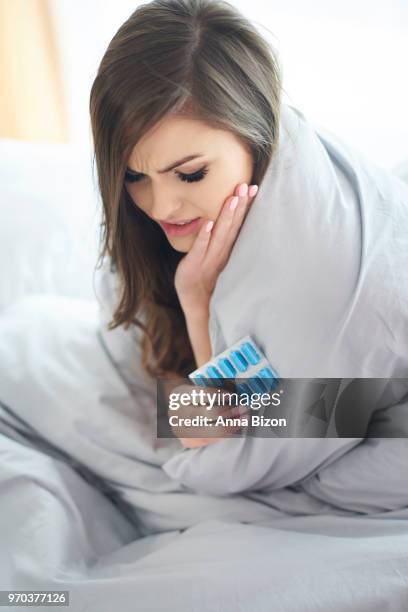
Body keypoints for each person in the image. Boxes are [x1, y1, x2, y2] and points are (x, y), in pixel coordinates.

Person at [90, 0, 408, 460]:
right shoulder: (146, 233)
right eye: (135, 177)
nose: (159, 206)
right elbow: (181, 400)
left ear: (257, 136)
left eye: (191, 173)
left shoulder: (325, 268)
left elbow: (309, 426)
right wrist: (193, 307)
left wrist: (198, 304)